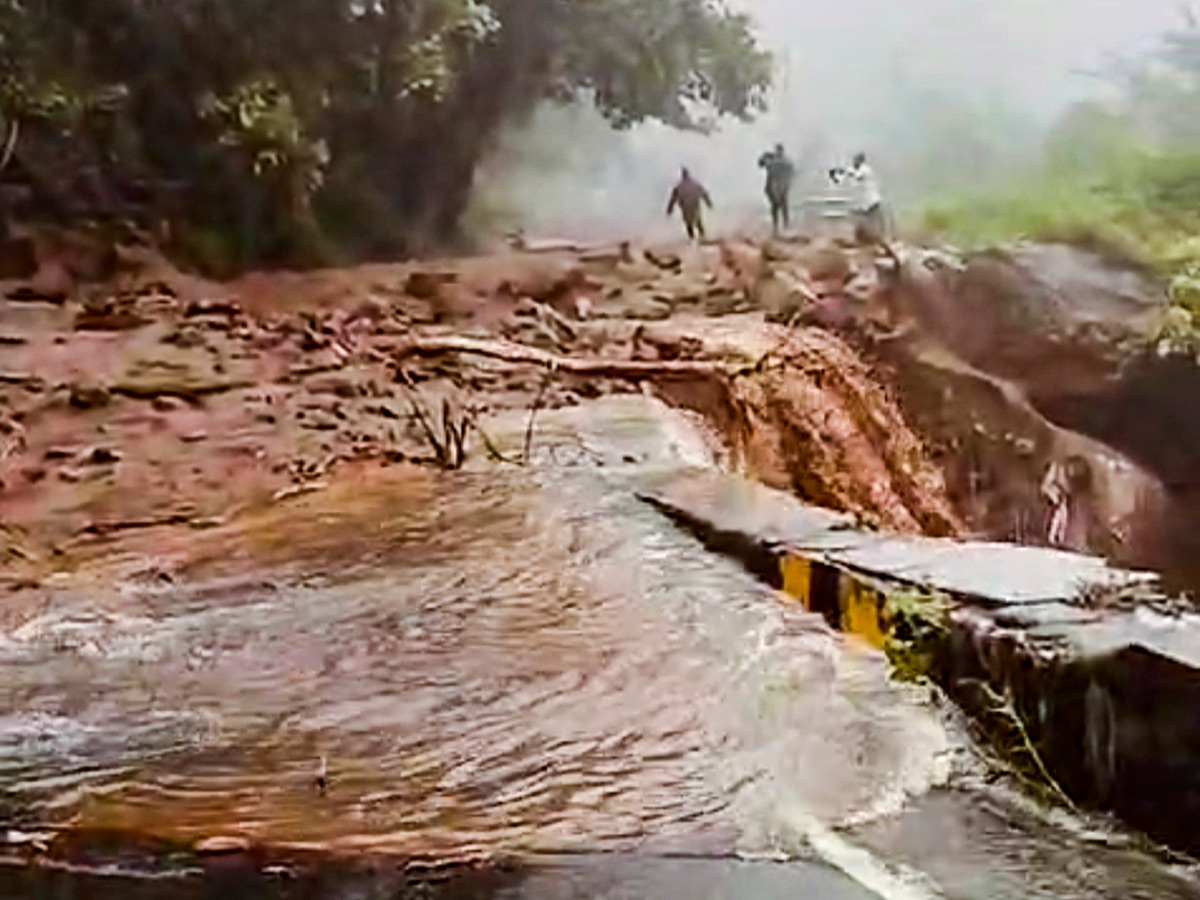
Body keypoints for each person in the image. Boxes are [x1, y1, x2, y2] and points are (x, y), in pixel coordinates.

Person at [831, 152, 886, 245]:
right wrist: (837, 175)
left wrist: (846, 172)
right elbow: (841, 179)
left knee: (870, 221)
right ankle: (865, 238)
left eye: (857, 160)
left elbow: (858, 176)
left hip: (872, 201)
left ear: (861, 161)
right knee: (861, 219)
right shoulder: (855, 169)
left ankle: (875, 239)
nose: (854, 162)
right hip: (865, 202)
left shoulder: (866, 170)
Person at [757, 143, 796, 235]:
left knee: (778, 207)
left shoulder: (774, 161)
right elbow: (761, 164)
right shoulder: (785, 161)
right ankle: (782, 227)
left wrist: (766, 156)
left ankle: (779, 227)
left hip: (776, 186)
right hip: (775, 186)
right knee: (781, 206)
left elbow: (761, 164)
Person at [666, 167, 713, 242]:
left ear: (683, 175)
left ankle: (692, 239)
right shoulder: (695, 184)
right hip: (694, 204)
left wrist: (670, 208)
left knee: (689, 223)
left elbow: (673, 198)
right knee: (698, 220)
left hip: (686, 205)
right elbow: (704, 193)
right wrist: (709, 203)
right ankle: (702, 237)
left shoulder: (679, 186)